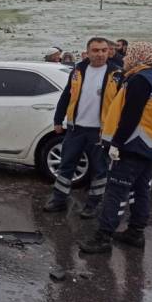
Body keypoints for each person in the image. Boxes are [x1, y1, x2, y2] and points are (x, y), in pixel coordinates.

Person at [79, 42, 152, 253]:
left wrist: (117, 144)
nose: (125, 57)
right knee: (141, 190)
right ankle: (135, 232)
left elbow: (131, 116)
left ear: (139, 56)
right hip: (151, 145)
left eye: (130, 54)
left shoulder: (139, 79)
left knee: (116, 190)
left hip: (133, 145)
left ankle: (103, 236)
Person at [43, 37, 123, 218]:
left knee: (99, 169)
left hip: (100, 131)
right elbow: (66, 95)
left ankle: (92, 205)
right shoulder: (78, 70)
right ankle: (58, 199)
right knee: (66, 165)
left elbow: (122, 105)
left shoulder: (116, 73)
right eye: (96, 50)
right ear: (88, 52)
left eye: (104, 50)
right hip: (75, 129)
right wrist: (58, 119)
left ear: (109, 51)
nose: (100, 54)